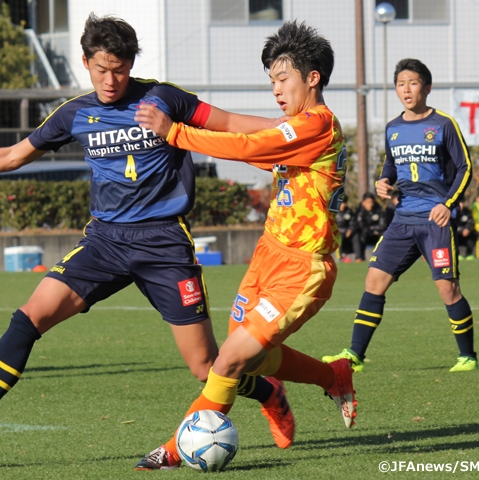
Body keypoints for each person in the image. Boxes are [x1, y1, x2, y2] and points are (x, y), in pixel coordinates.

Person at [0, 13, 289, 462]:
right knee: (28, 318)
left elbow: (234, 124)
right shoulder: (76, 112)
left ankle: (268, 392)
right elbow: (11, 156)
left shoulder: (164, 98)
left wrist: (297, 134)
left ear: (130, 64)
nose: (110, 79)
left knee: (205, 367)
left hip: (163, 244)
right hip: (104, 242)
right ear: (85, 62)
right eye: (101, 69)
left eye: (119, 69)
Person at [133, 20, 356, 470]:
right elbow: (261, 146)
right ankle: (333, 376)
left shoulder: (318, 124)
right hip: (268, 256)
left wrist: (174, 132)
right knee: (252, 359)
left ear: (312, 78)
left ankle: (177, 448)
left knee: (231, 359)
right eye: (271, 81)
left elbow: (249, 146)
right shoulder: (297, 125)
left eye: (283, 78)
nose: (276, 89)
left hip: (303, 268)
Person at [322, 58, 477, 374]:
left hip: (436, 220)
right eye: (401, 84)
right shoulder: (394, 128)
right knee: (374, 280)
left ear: (427, 87)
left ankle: (468, 357)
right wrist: (383, 181)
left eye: (413, 82)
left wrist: (448, 203)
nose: (406, 89)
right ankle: (354, 355)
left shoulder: (444, 124)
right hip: (402, 219)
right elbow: (390, 165)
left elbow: (465, 167)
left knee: (447, 288)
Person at [350, 192, 386, 262]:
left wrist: (372, 229)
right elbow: (358, 224)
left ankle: (382, 258)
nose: (370, 204)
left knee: (384, 235)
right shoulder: (359, 211)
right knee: (356, 235)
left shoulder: (379, 209)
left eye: (371, 202)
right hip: (364, 235)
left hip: (376, 234)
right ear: (363, 203)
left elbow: (383, 225)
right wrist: (368, 230)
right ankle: (359, 258)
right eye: (368, 202)